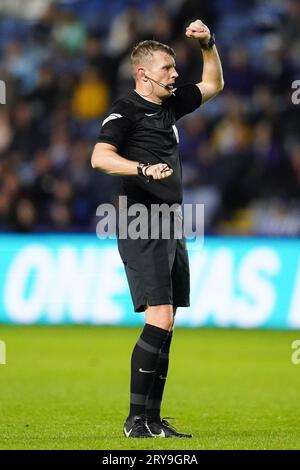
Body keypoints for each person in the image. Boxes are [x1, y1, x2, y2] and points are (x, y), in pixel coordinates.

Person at [91, 19, 224, 438]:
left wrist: (208, 45)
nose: (175, 74)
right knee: (160, 316)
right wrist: (143, 168)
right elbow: (99, 157)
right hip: (138, 219)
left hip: (169, 221)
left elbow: (214, 84)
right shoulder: (124, 110)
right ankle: (135, 422)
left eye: (174, 67)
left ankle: (151, 420)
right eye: (167, 68)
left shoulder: (168, 105)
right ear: (143, 74)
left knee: (168, 320)